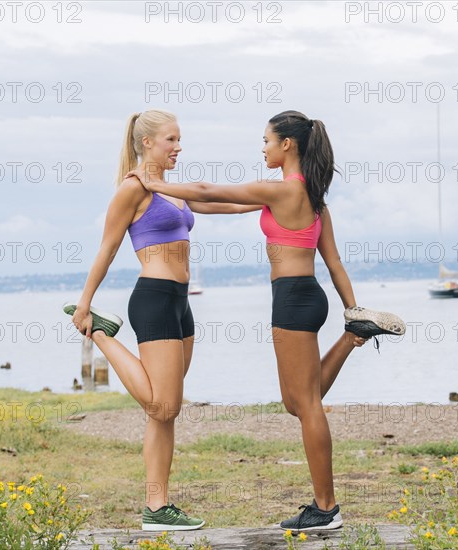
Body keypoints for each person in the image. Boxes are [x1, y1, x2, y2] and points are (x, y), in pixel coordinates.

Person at [127, 110, 406, 532]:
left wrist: (156, 183)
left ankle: (325, 508)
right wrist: (352, 307)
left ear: (287, 145)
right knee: (298, 400)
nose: (264, 148)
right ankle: (353, 332)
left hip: (292, 300)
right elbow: (333, 262)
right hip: (309, 296)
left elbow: (207, 187)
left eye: (267, 141)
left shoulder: (282, 190)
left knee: (307, 405)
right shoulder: (313, 197)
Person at [63, 109, 261, 531]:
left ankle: (158, 506)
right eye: (171, 139)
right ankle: (99, 331)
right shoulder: (132, 189)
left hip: (179, 301)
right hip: (152, 298)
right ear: (147, 142)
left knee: (164, 414)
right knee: (162, 403)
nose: (178, 147)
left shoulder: (170, 188)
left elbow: (214, 203)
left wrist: (265, 201)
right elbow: (107, 248)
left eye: (179, 139)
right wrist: (85, 303)